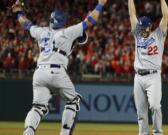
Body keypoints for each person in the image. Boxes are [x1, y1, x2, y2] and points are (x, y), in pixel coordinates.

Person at [12, 0, 107, 135]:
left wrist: (18, 12)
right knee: (73, 101)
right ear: (63, 21)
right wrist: (100, 4)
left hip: (39, 73)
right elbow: (90, 20)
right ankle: (64, 133)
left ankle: (28, 132)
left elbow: (25, 23)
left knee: (38, 107)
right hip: (56, 71)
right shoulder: (68, 32)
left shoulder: (41, 31)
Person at [128, 0, 168, 135]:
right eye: (140, 28)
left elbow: (166, 16)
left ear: (150, 26)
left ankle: (157, 132)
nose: (142, 30)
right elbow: (131, 14)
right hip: (138, 76)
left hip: (153, 76)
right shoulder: (138, 34)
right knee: (141, 110)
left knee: (155, 105)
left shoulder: (158, 34)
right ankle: (143, 133)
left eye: (144, 28)